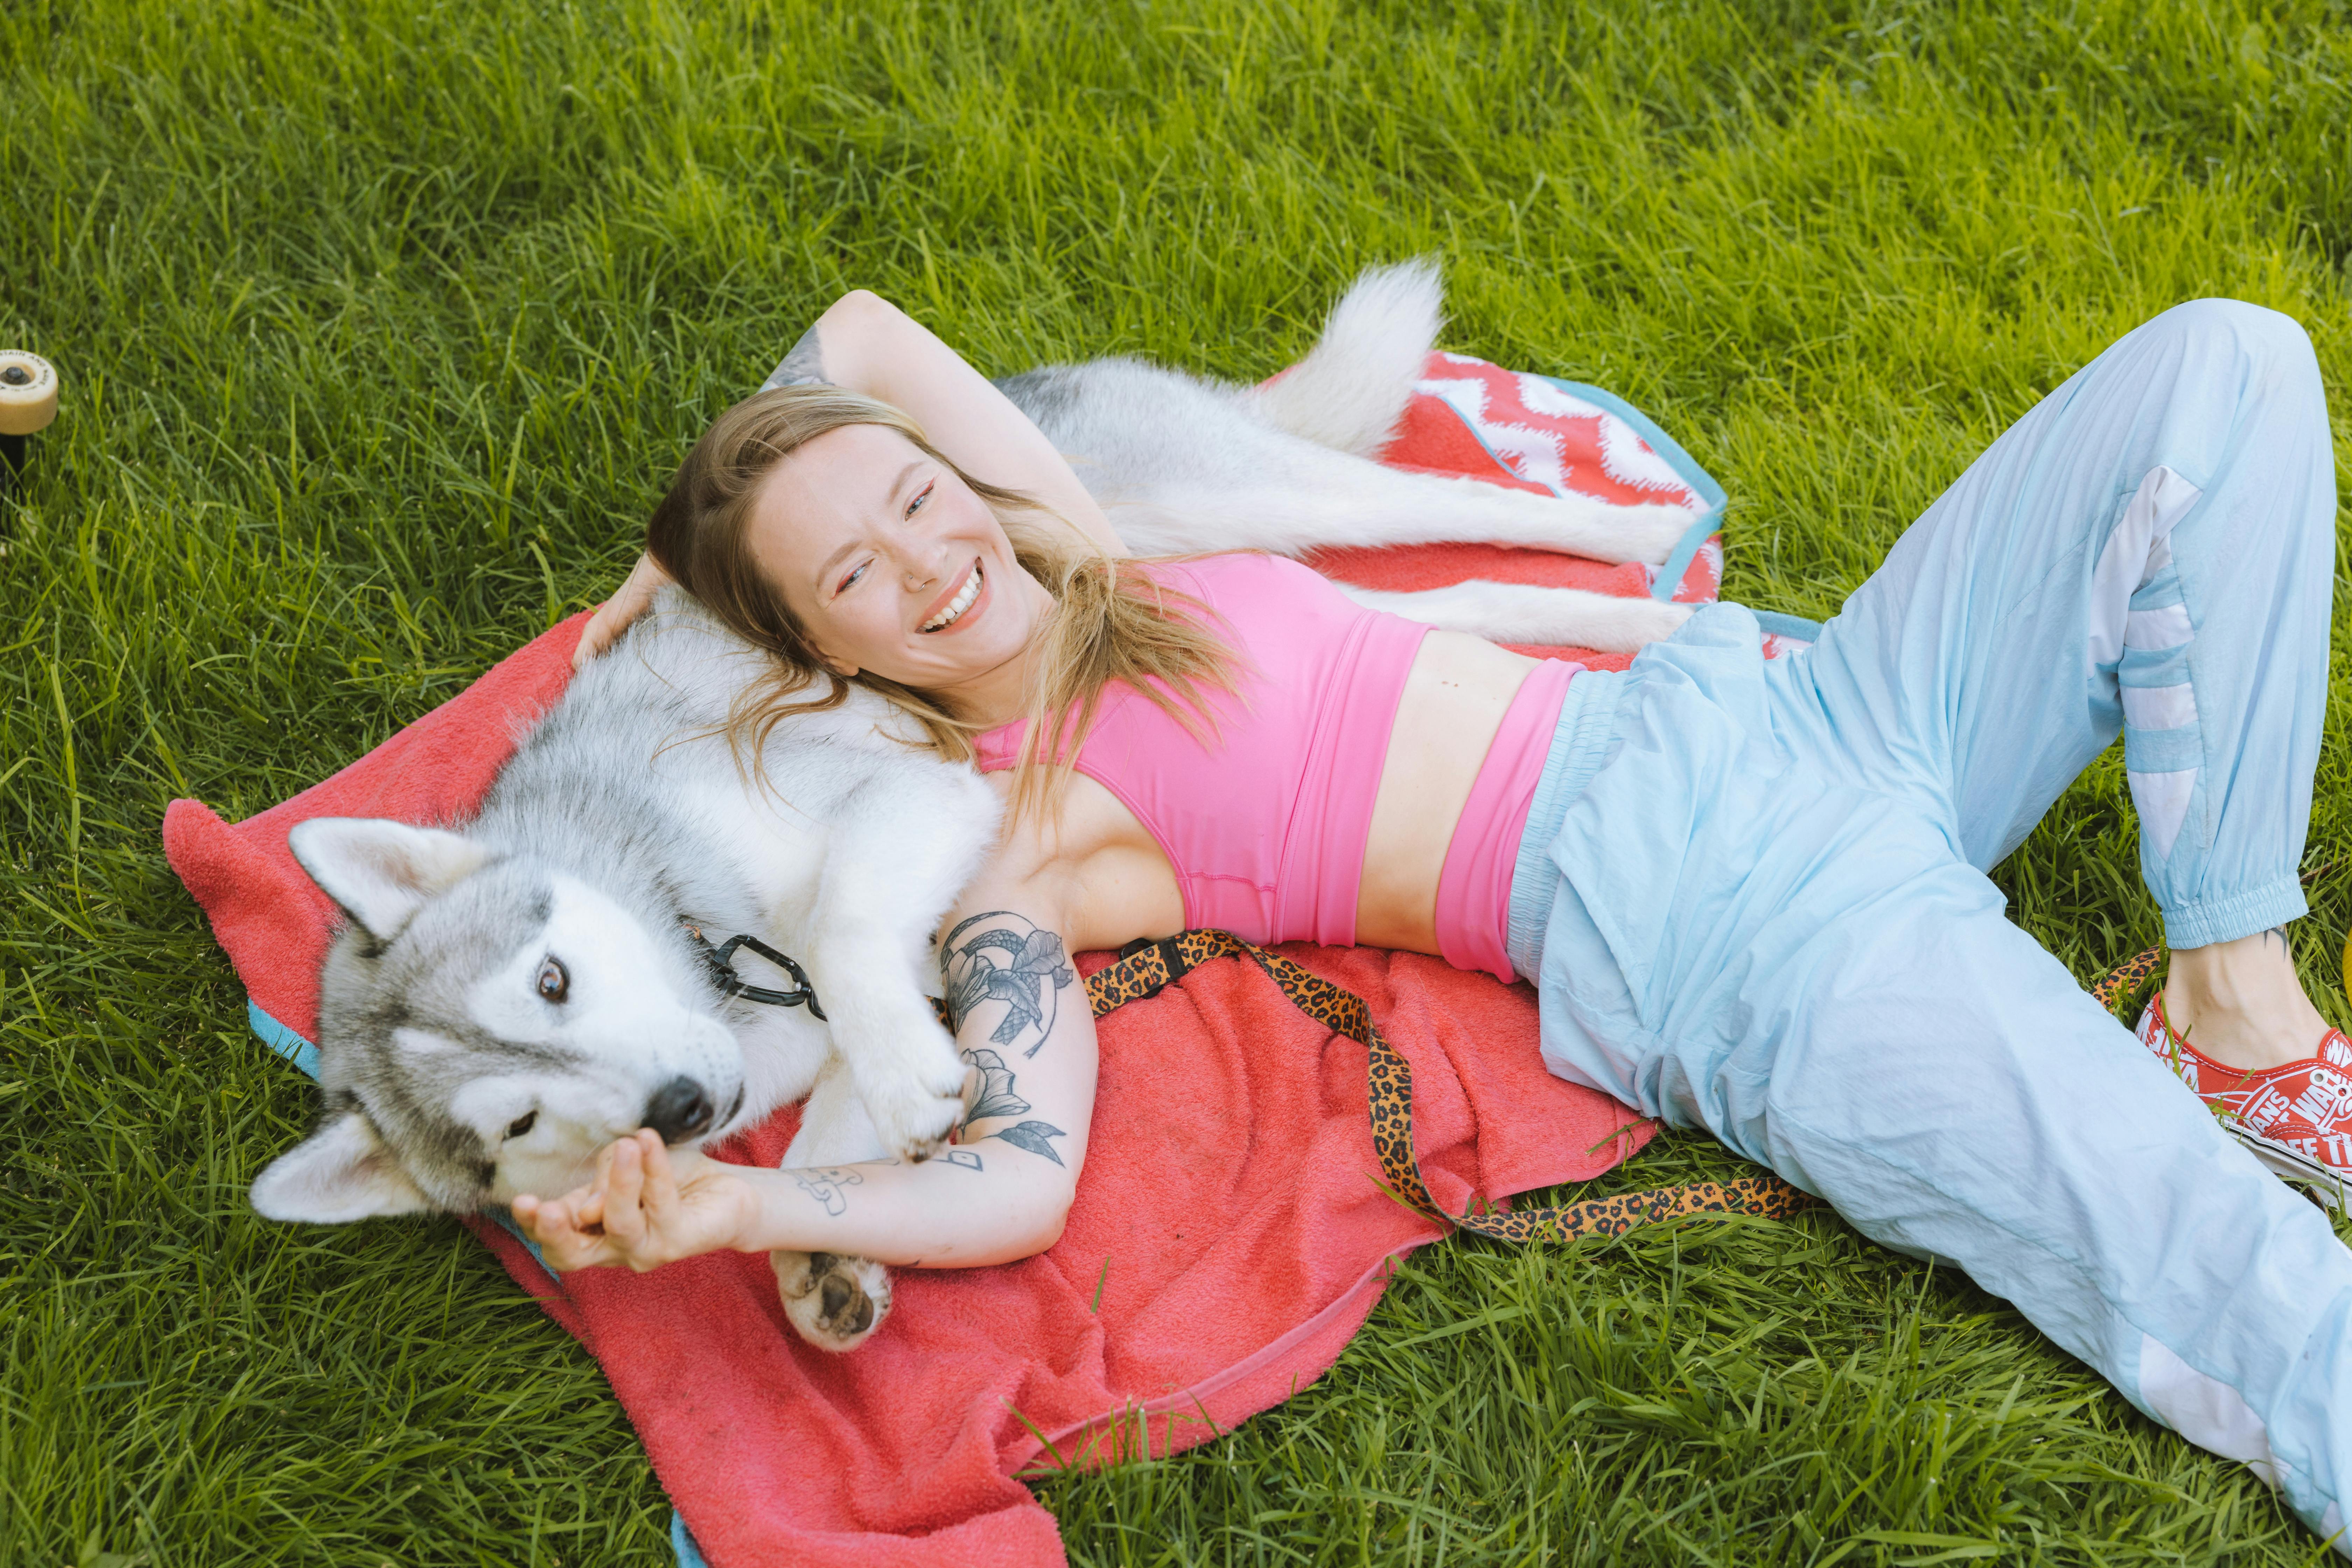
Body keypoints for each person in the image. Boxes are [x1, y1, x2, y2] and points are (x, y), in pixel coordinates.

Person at [513, 288, 2351, 1543]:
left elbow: (859, 332)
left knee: (2227, 368)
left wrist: (667, 573)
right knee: (2230, 1274)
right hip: (1727, 927)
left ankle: (2233, 1005)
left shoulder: (1079, 547)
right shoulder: (1014, 826)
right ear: (819, 653)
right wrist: (746, 1201)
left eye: (919, 495)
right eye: (856, 572)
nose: (933, 553)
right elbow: (1016, 1171)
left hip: (1805, 706)